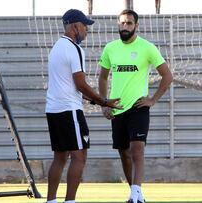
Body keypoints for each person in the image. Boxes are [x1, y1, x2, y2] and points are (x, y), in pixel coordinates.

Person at [45, 9, 122, 203]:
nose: (87, 30)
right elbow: (80, 84)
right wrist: (104, 101)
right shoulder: (74, 48)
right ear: (74, 27)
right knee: (80, 157)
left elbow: (70, 86)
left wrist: (94, 99)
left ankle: (51, 200)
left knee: (59, 158)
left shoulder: (56, 48)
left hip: (53, 109)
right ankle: (70, 201)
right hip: (69, 110)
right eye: (84, 26)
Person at [98, 9, 173, 203]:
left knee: (137, 149)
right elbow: (103, 77)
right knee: (124, 153)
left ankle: (136, 193)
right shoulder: (110, 48)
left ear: (136, 26)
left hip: (139, 107)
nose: (125, 26)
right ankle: (135, 191)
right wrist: (103, 102)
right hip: (117, 108)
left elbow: (167, 76)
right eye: (122, 23)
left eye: (129, 23)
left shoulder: (147, 47)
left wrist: (152, 100)